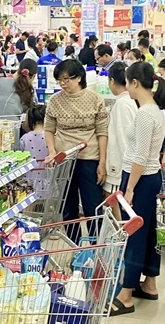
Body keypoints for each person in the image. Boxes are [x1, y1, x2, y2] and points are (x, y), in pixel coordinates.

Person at [109, 62, 165, 316]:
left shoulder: (145, 113)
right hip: (150, 177)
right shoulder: (157, 109)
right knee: (148, 230)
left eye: (127, 82)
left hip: (139, 178)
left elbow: (140, 157)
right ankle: (150, 282)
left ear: (134, 83)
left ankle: (127, 293)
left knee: (133, 233)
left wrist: (129, 188)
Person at [44, 59, 108, 243]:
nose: (63, 84)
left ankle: (96, 247)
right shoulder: (55, 101)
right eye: (60, 80)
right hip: (64, 160)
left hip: (89, 158)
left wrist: (102, 162)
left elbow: (102, 132)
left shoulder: (95, 99)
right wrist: (52, 151)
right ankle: (74, 246)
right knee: (68, 207)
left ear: (79, 77)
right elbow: (49, 128)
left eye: (66, 79)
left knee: (92, 206)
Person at [105, 62, 137, 199]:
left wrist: (127, 170)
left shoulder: (122, 104)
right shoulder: (132, 100)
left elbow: (125, 138)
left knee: (114, 201)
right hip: (127, 166)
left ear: (112, 81)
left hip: (120, 168)